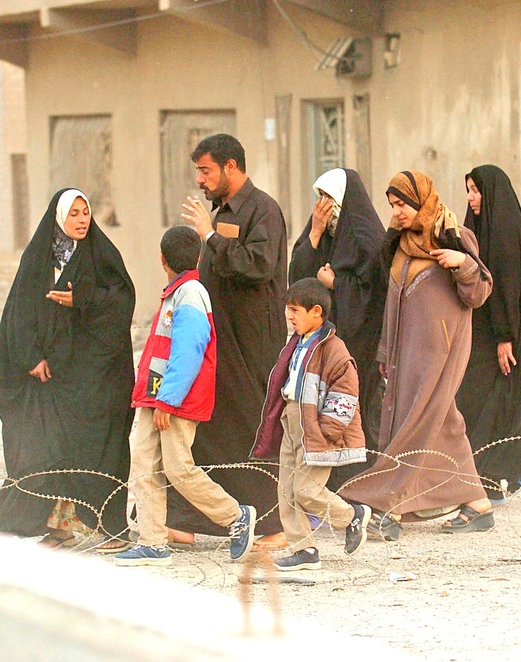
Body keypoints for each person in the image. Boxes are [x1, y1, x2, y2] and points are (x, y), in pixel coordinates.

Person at [338, 171, 496, 535]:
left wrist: (464, 265)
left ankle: (386, 507)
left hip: (441, 350)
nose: (398, 212)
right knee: (441, 422)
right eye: (393, 205)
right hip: (404, 352)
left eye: (404, 204)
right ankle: (477, 503)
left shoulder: (454, 235)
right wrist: (385, 351)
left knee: (416, 422)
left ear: (422, 200)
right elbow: (391, 302)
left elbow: (480, 293)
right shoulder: (400, 244)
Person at [0, 188, 135, 550]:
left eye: (86, 213)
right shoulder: (38, 259)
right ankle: (58, 526)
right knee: (50, 450)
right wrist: (31, 356)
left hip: (95, 378)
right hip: (53, 379)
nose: (82, 220)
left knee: (100, 450)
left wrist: (85, 299)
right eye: (74, 214)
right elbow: (19, 311)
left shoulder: (102, 255)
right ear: (58, 218)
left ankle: (110, 529)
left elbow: (122, 302)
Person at [115, 226, 257, 567]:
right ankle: (153, 541)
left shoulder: (190, 293)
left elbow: (188, 352)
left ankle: (235, 516)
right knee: (143, 461)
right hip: (156, 397)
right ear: (197, 257)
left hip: (173, 401)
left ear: (162, 259)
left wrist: (168, 401)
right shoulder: (176, 292)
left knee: (178, 468)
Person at [175, 134, 287, 549]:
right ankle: (205, 520)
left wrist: (210, 237)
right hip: (220, 340)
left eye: (206, 171)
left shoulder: (264, 210)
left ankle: (275, 528)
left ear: (232, 167)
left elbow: (258, 266)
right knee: (216, 428)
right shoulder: (222, 210)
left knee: (253, 431)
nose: (201, 181)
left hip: (253, 343)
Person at [250, 278, 372, 570]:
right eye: (288, 310)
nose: (290, 316)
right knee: (288, 491)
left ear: (317, 312)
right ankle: (303, 550)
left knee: (306, 490)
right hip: (292, 421)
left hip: (315, 428)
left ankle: (351, 516)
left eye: (295, 310)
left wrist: (328, 429)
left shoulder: (333, 349)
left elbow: (346, 393)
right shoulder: (297, 343)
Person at [289, 168, 386, 489]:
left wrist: (336, 283)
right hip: (327, 340)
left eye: (329, 199)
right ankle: (330, 487)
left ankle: (362, 484)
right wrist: (315, 233)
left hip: (360, 343)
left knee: (352, 411)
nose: (323, 206)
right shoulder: (326, 233)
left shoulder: (366, 237)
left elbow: (372, 293)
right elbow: (299, 277)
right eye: (319, 198)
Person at [456, 165, 521, 503]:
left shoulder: (504, 230)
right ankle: (488, 473)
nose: (471, 198)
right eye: (468, 190)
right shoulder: (479, 230)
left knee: (491, 401)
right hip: (483, 334)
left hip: (502, 336)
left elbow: (507, 286)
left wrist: (504, 336)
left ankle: (494, 474)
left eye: (476, 191)